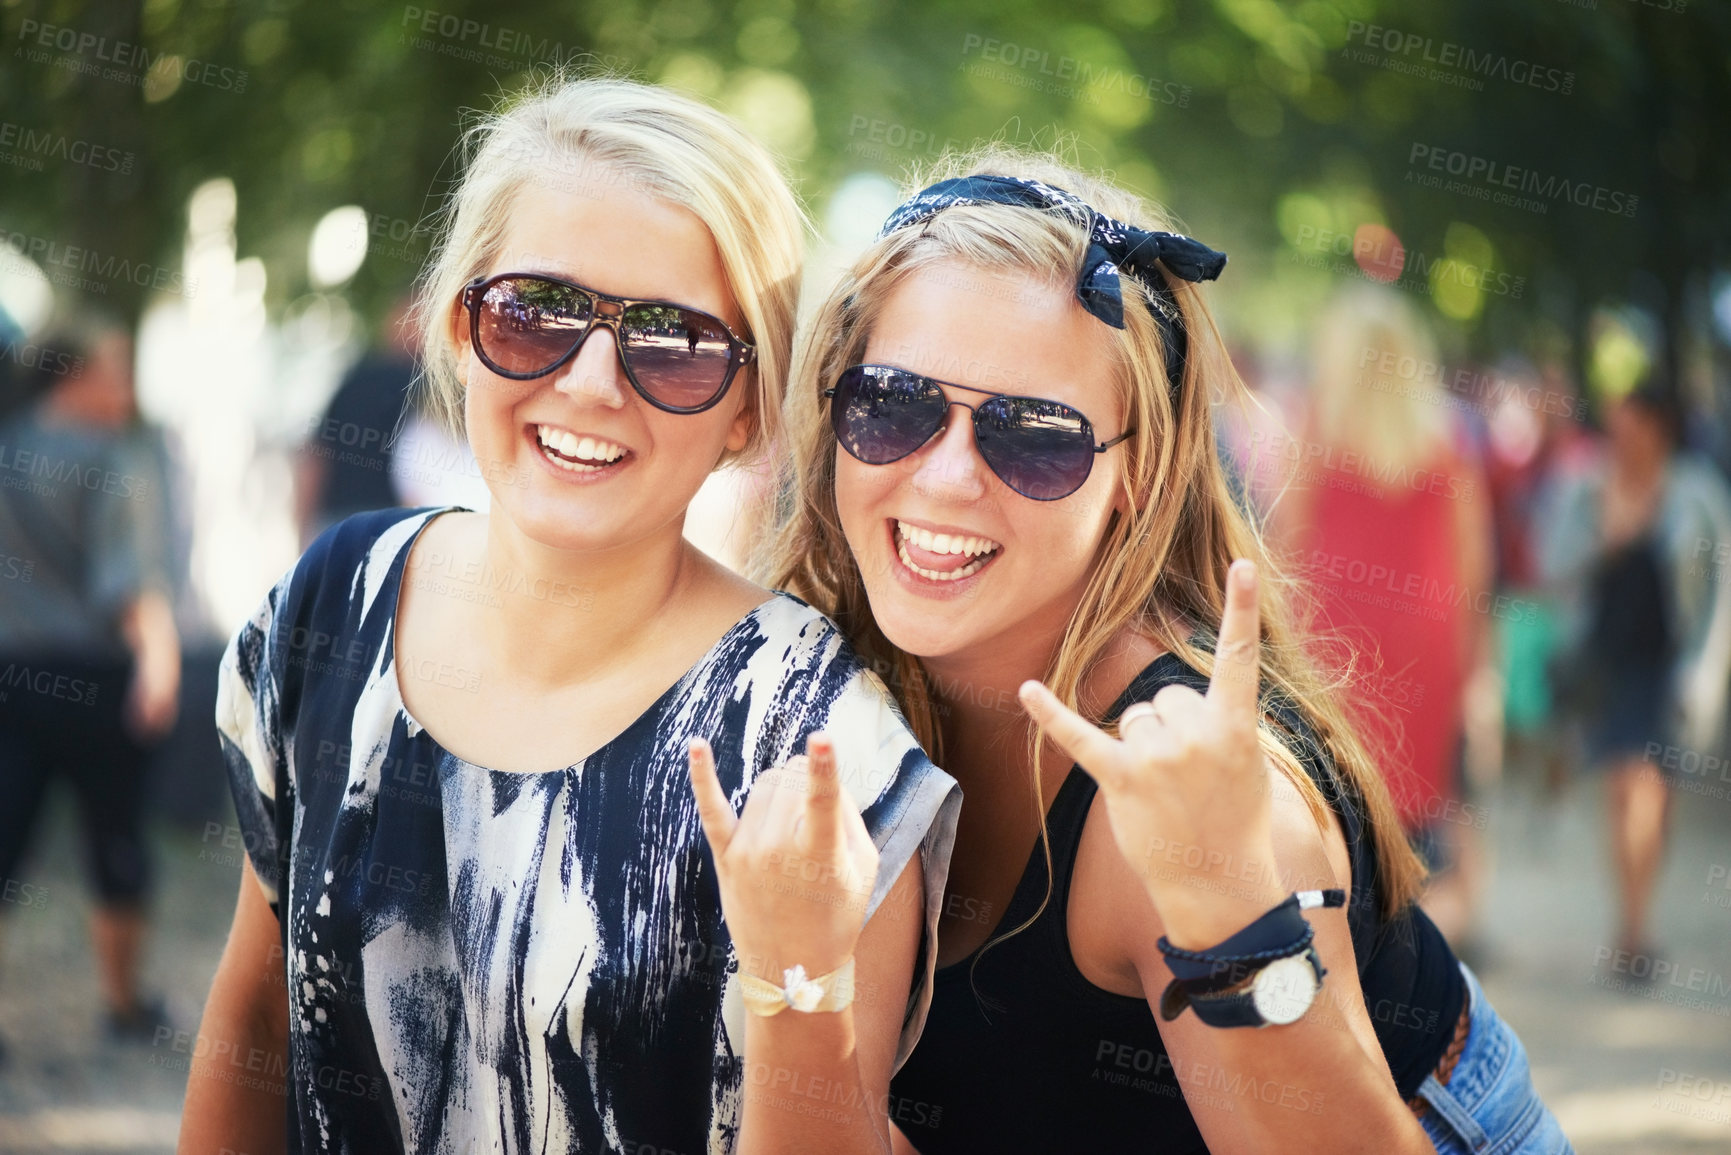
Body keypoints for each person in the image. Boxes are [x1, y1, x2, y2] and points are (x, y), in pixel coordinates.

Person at [179, 76, 958, 1155]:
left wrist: (798, 977)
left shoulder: (813, 744)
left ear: (746, 405)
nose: (593, 383)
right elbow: (254, 1018)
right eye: (535, 312)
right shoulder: (329, 607)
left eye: (672, 342)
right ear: (461, 327)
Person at [765, 152, 1571, 1154]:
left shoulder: (1206, 802)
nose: (945, 477)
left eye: (1035, 435)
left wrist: (1232, 910)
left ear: (1135, 475)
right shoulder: (803, 694)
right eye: (893, 402)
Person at [1262, 285, 1496, 947]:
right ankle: (1423, 930)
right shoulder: (1446, 435)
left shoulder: (1316, 426)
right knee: (1421, 795)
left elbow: (1285, 538)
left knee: (1338, 789)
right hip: (1428, 635)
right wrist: (1478, 666)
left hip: (1332, 635)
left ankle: (1350, 926)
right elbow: (1474, 562)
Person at [0, 317, 180, 1045]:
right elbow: (130, 584)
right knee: (117, 841)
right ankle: (123, 1004)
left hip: (10, 677)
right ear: (73, 375)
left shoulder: (7, 446)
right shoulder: (116, 460)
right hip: (98, 680)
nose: (125, 390)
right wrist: (161, 664)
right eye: (114, 373)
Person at [1539, 382, 1731, 960]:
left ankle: (1634, 921)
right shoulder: (1587, 491)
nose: (1621, 441)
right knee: (1624, 789)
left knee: (1650, 794)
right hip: (1607, 664)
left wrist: (1708, 670)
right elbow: (1552, 565)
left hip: (1667, 666)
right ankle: (1633, 925)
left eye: (1633, 429)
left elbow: (1718, 589)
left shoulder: (1696, 495)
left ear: (1659, 430)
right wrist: (1607, 537)